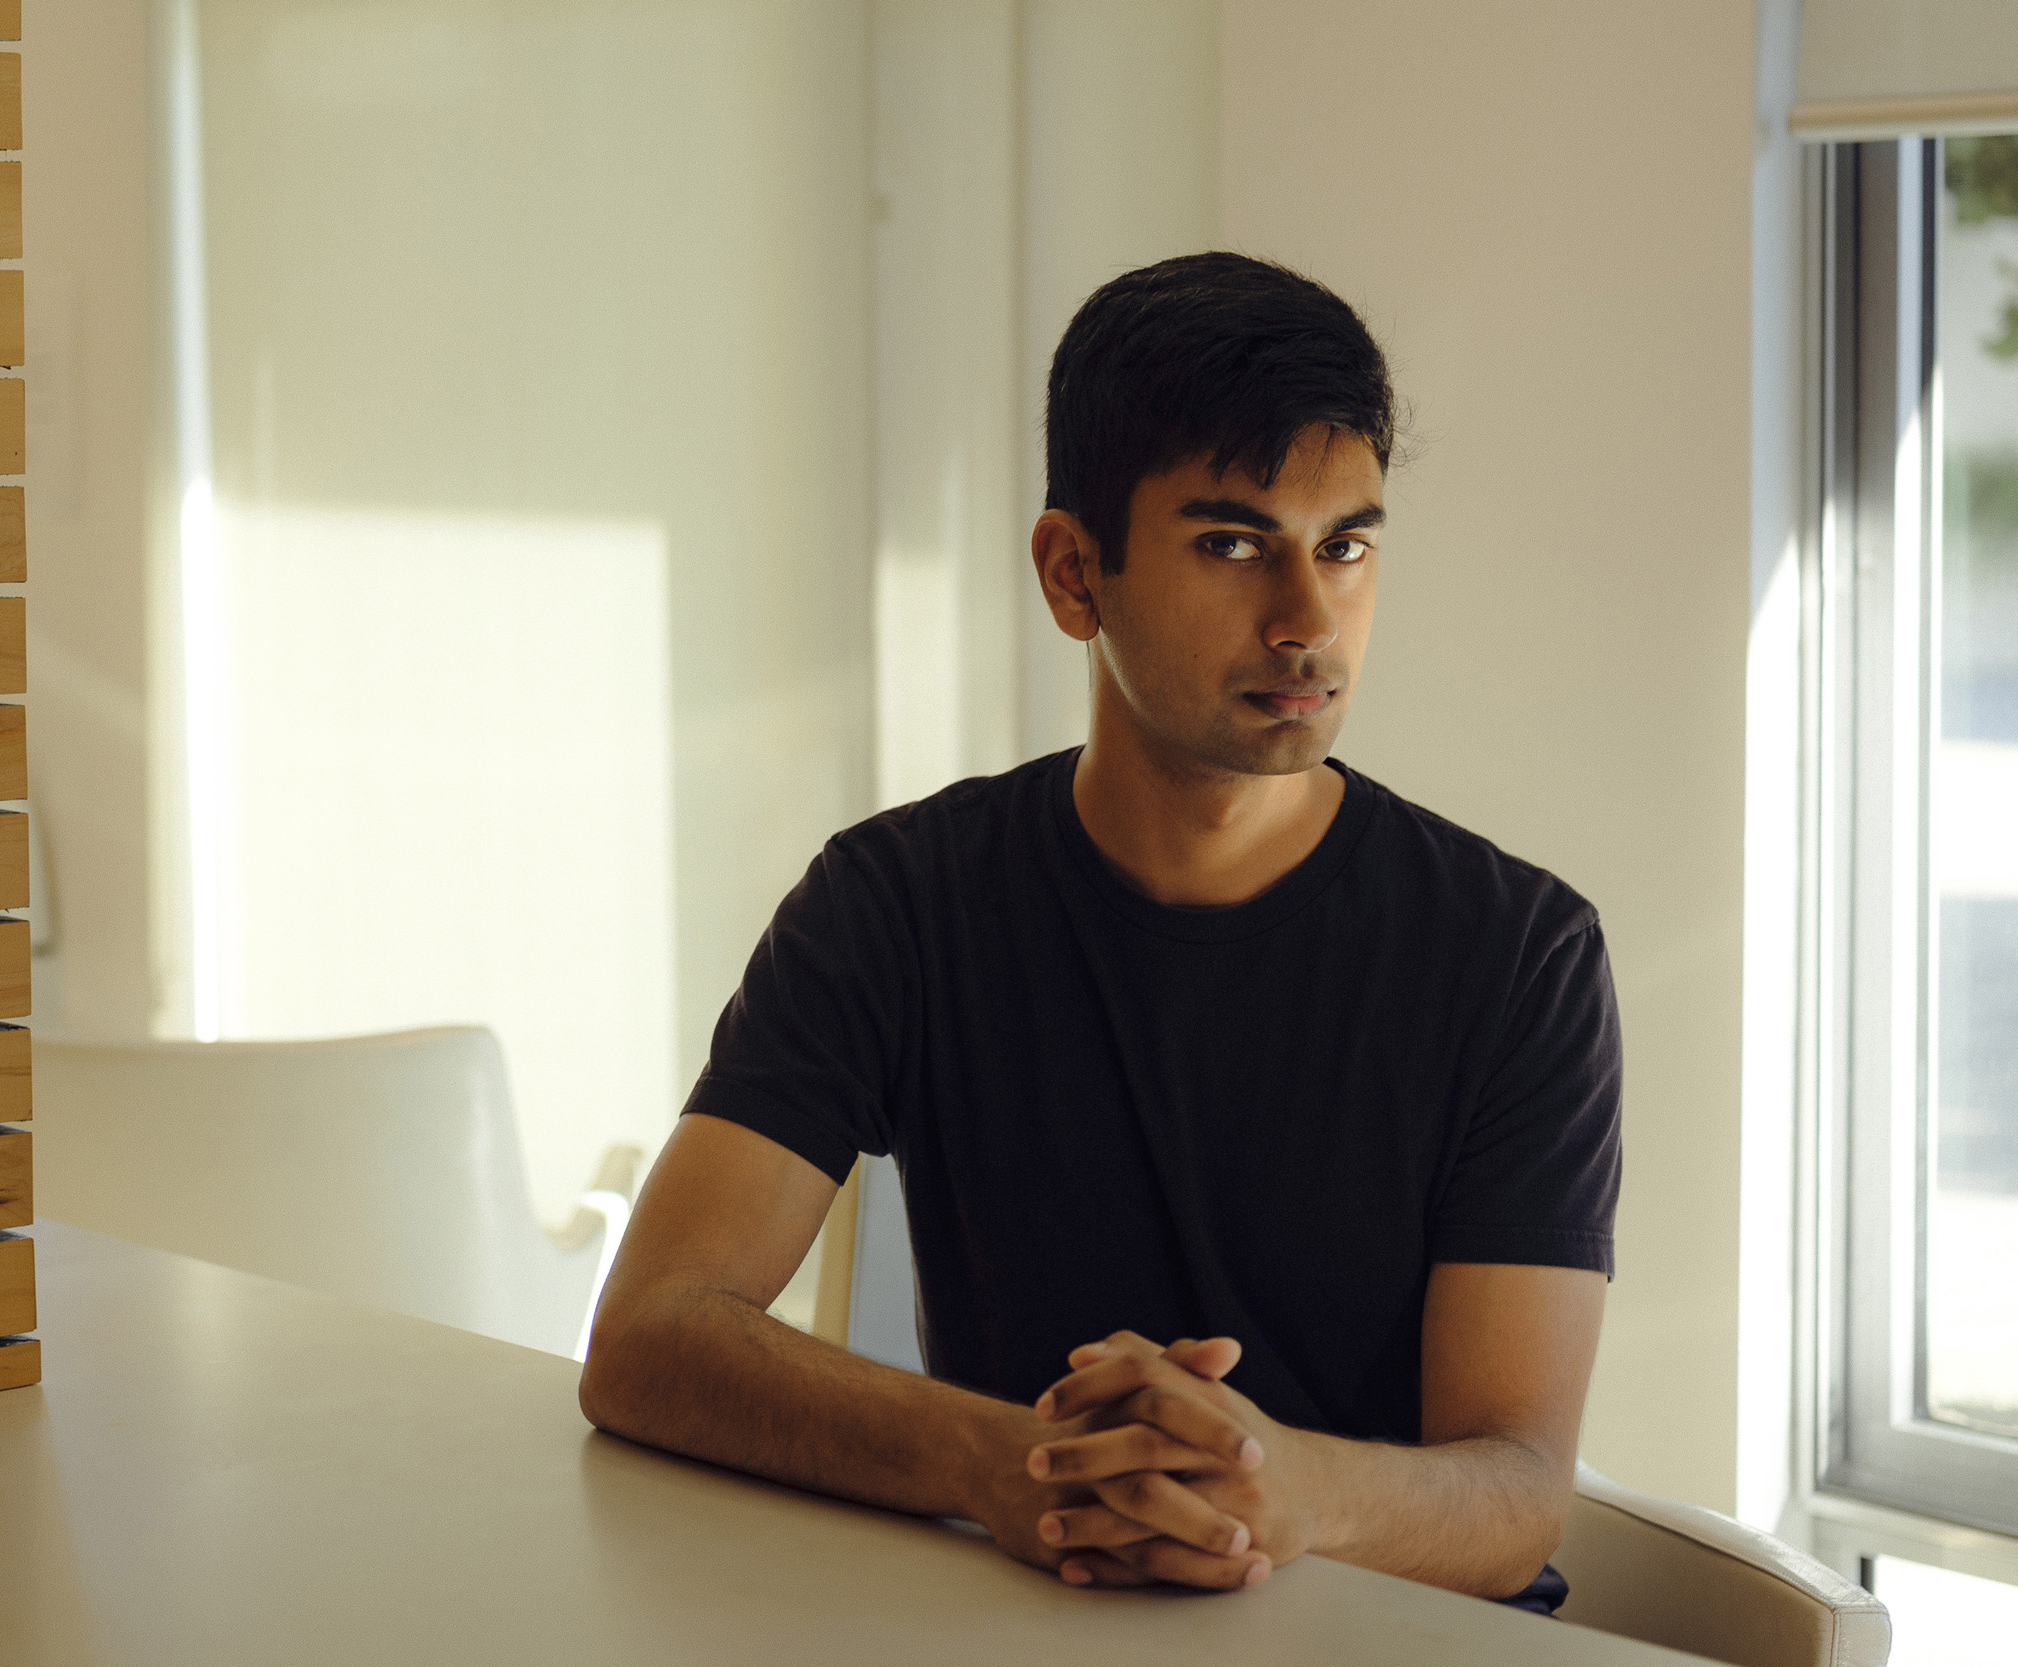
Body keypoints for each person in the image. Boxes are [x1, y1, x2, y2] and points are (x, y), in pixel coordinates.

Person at [577, 251, 1620, 1614]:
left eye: (1346, 545)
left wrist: (1280, 1489)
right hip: (1031, 1622)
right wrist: (1005, 1458)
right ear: (1076, 575)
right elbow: (650, 1339)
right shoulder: (899, 902)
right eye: (1235, 545)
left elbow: (1516, 1494)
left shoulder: (1517, 955)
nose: (1310, 621)